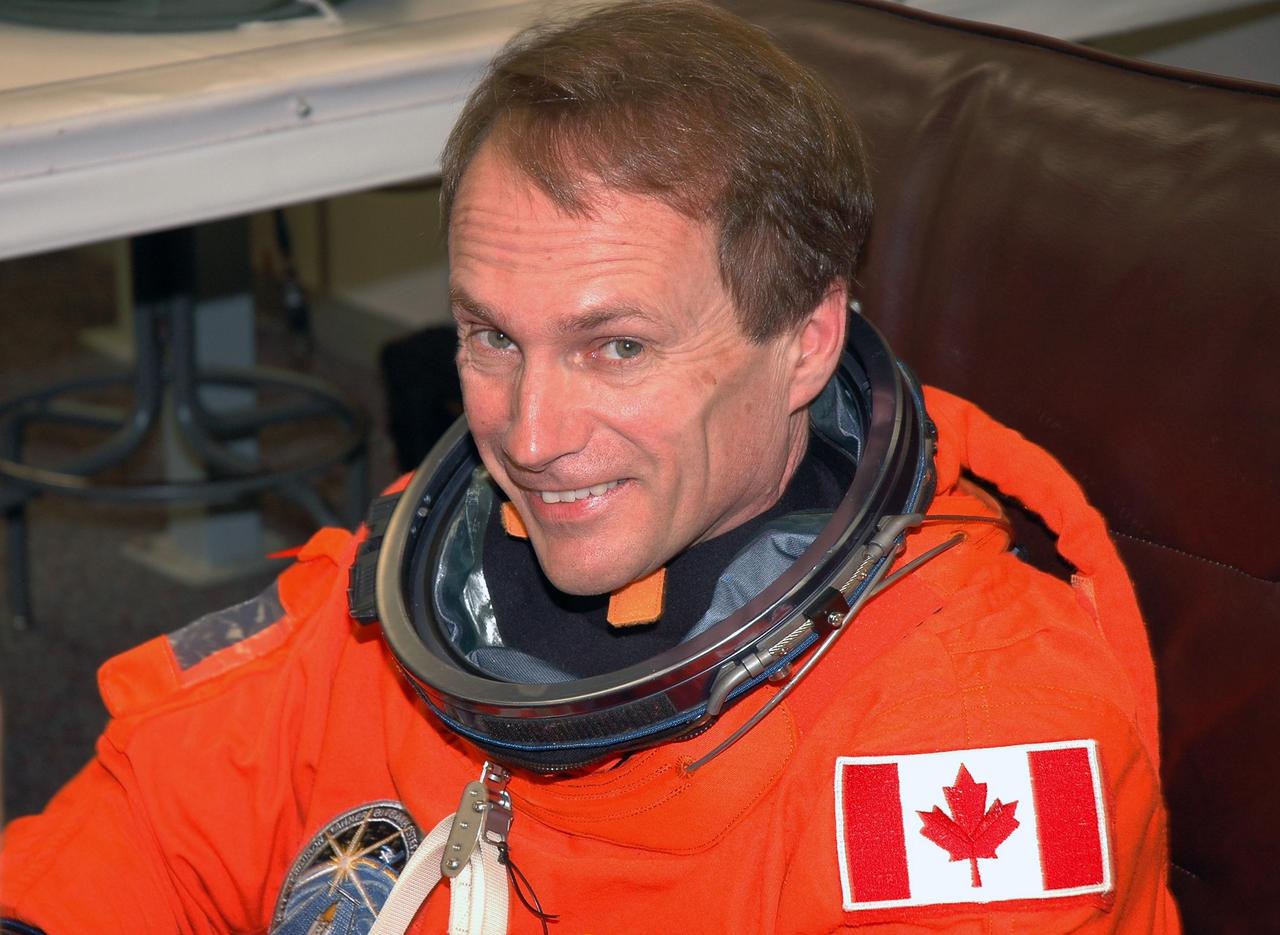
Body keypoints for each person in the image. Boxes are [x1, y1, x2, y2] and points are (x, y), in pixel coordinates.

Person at [0, 2, 1179, 932]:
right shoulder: (428, 575)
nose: (528, 432)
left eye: (615, 346)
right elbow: (148, 819)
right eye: (490, 336)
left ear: (804, 338)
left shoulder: (962, 748)